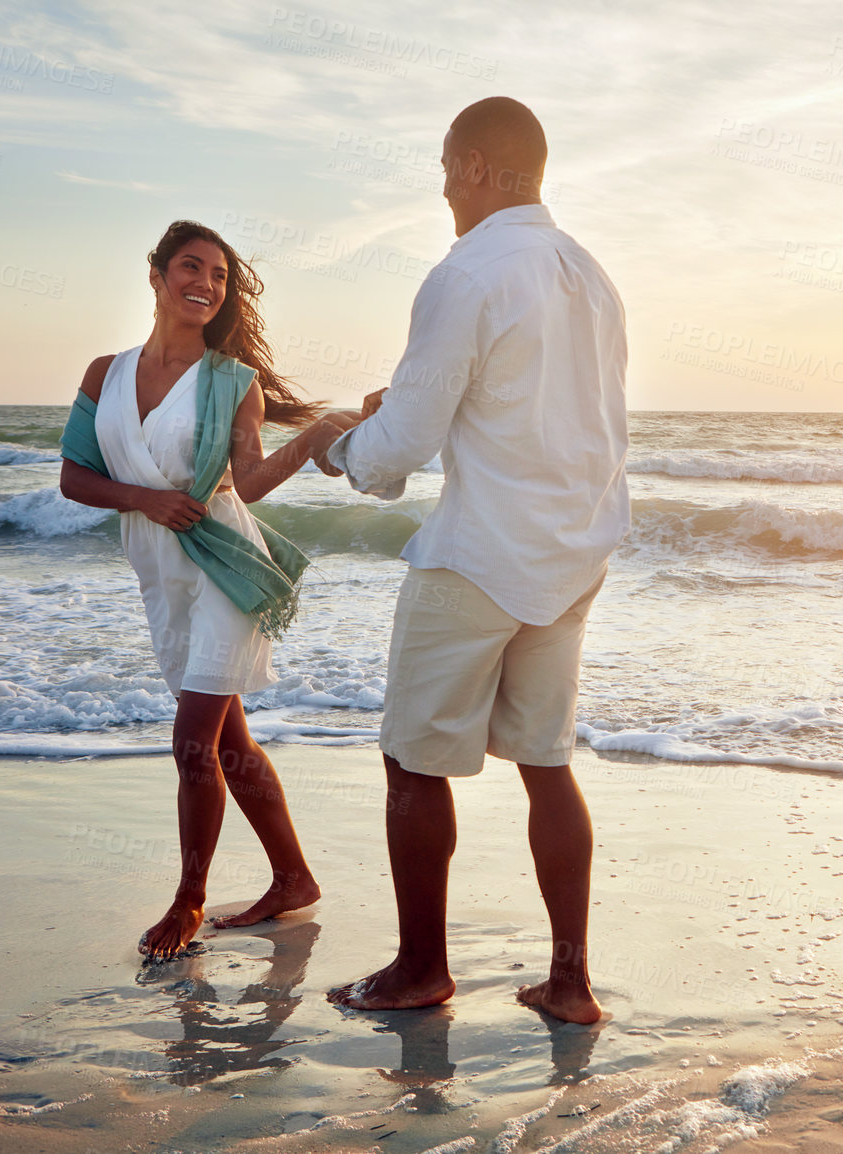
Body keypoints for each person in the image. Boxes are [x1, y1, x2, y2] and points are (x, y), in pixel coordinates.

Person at [311, 97, 628, 1023]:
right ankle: (569, 982)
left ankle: (421, 969)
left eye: (449, 166)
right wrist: (411, 403)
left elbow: (400, 444)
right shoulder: (592, 276)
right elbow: (562, 415)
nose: (444, 185)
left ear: (483, 166)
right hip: (571, 558)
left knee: (412, 762)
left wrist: (342, 443)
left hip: (479, 555)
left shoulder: (466, 272)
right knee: (546, 763)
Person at [59, 220, 359, 961]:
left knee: (194, 739)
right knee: (229, 741)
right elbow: (73, 476)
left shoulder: (233, 381)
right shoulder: (105, 374)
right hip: (161, 575)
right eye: (192, 267)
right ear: (157, 275)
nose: (207, 283)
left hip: (225, 566)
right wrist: (144, 498)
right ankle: (292, 877)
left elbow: (248, 484)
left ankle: (187, 902)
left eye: (220, 275)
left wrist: (313, 435)